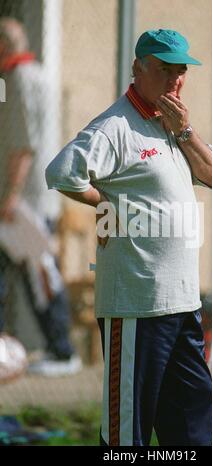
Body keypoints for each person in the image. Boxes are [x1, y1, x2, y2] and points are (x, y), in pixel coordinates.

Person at [46, 29, 212, 445]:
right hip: (137, 308)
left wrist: (185, 131)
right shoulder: (115, 127)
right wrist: (105, 203)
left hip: (184, 305)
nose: (175, 80)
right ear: (138, 68)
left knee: (193, 428)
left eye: (181, 72)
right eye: (164, 70)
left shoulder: (175, 125)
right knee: (130, 435)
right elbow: (60, 172)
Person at [0, 18, 82, 377]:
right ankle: (55, 349)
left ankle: (62, 351)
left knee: (41, 277)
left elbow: (22, 144)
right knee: (38, 276)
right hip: (38, 198)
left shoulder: (16, 79)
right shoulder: (39, 75)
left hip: (22, 202)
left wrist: (10, 195)